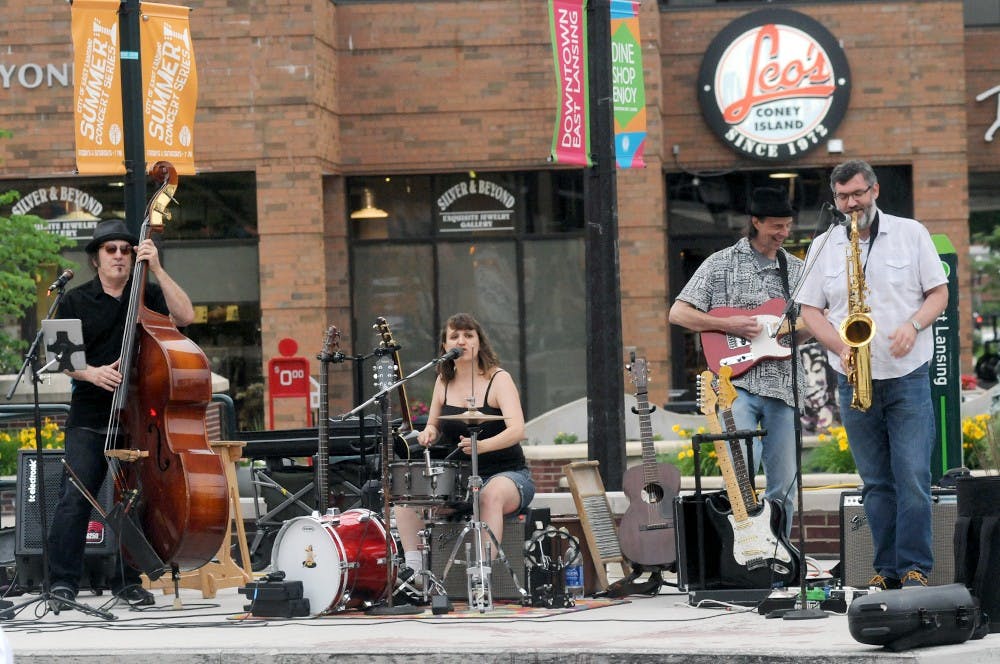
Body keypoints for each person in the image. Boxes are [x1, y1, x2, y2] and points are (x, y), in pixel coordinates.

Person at [796, 159, 948, 589]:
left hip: (907, 374)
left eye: (858, 194)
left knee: (913, 476)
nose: (851, 203)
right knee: (876, 483)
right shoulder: (825, 244)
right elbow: (810, 310)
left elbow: (939, 292)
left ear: (875, 190)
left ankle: (916, 568)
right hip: (852, 378)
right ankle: (885, 570)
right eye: (843, 197)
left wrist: (913, 325)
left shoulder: (910, 233)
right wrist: (841, 347)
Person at [47, 219, 197, 609]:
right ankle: (62, 582)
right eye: (110, 250)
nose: (118, 256)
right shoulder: (76, 299)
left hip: (139, 419)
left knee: (135, 499)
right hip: (90, 414)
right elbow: (60, 357)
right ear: (95, 258)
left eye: (125, 250)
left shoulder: (146, 295)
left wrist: (159, 268)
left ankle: (129, 580)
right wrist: (90, 372)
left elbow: (186, 317)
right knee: (75, 498)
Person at [668, 187, 808, 537]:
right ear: (755, 222)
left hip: (783, 386)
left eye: (787, 226)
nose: (783, 233)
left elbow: (809, 326)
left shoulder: (797, 269)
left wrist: (805, 331)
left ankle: (780, 557)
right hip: (734, 386)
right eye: (776, 226)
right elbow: (678, 312)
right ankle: (743, 556)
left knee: (784, 485)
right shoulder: (719, 263)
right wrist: (727, 324)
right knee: (738, 476)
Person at [394, 313, 535, 585]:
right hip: (459, 478)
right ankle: (415, 571)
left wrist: (481, 446)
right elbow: (433, 427)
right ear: (445, 346)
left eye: (468, 335)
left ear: (479, 342)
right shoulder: (443, 381)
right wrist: (428, 434)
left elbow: (518, 430)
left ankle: (481, 573)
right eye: (455, 336)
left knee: (488, 495)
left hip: (508, 475)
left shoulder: (498, 379)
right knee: (407, 496)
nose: (462, 341)